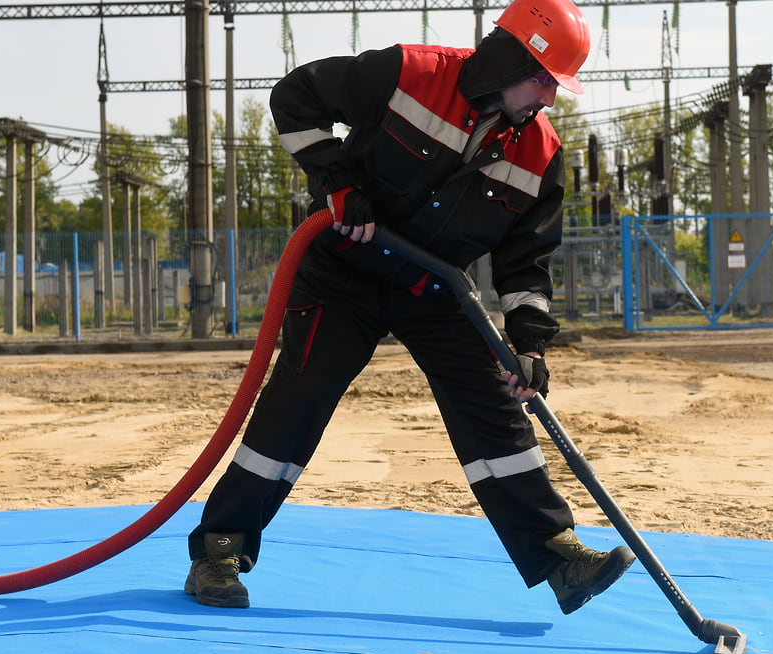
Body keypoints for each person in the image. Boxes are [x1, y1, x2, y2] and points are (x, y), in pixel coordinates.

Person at [185, 0, 634, 615]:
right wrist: (337, 184)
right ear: (511, 59)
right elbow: (295, 99)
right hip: (345, 272)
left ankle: (560, 561)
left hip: (437, 290)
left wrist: (528, 344)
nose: (550, 100)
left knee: (496, 414)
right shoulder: (407, 74)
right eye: (545, 82)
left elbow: (525, 264)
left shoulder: (541, 155)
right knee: (297, 402)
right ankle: (219, 552)